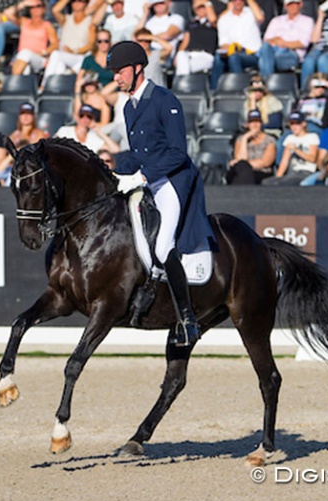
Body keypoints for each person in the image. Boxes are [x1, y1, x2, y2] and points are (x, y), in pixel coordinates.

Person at [107, 40, 216, 346]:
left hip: (173, 182)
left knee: (163, 246)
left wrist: (141, 175)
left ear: (138, 68)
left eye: (120, 71)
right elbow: (137, 152)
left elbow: (177, 153)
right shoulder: (129, 107)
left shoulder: (164, 100)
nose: (116, 78)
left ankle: (188, 319)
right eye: (114, 72)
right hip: (148, 179)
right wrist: (113, 171)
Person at [40, 0, 97, 90]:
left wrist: (75, 51)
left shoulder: (90, 22)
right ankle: (52, 89)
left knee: (56, 55)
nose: (77, 3)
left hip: (80, 57)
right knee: (59, 65)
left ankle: (44, 85)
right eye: (74, 1)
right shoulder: (66, 19)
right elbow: (55, 10)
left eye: (81, 1)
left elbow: (91, 45)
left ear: (86, 3)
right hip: (65, 56)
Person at [210, 0, 265, 90]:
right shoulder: (224, 19)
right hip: (233, 51)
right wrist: (227, 49)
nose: (238, 1)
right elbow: (223, 43)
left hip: (252, 54)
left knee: (234, 58)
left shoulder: (251, 12)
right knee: (218, 58)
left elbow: (260, 17)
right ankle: (214, 91)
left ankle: (239, 89)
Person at [258, 0, 314, 78]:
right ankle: (268, 82)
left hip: (291, 55)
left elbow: (303, 43)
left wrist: (283, 43)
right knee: (265, 48)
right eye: (290, 5)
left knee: (263, 60)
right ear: (285, 6)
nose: (292, 7)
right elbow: (267, 40)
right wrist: (279, 42)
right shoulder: (276, 20)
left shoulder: (307, 21)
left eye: (295, 4)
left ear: (300, 4)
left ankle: (265, 84)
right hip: (273, 52)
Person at [262, 111, 319, 186]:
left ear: (303, 124)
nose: (294, 127)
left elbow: (312, 158)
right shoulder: (290, 138)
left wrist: (296, 149)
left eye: (297, 124)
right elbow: (284, 162)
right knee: (267, 182)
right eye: (292, 124)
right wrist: (278, 177)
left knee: (287, 182)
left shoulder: (312, 137)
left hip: (306, 172)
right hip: (292, 172)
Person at [226, 109, 277, 185]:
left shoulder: (270, 140)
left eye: (257, 121)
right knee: (241, 171)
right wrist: (245, 138)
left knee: (242, 172)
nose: (255, 124)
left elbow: (265, 162)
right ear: (247, 124)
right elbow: (240, 158)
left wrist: (245, 164)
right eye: (252, 122)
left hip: (261, 172)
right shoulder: (241, 139)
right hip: (242, 171)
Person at [10, 0, 59, 76]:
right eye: (32, 7)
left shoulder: (47, 25)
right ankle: (17, 85)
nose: (35, 9)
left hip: (38, 57)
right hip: (22, 57)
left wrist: (44, 52)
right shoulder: (24, 22)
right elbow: (8, 14)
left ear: (43, 9)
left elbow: (55, 44)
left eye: (38, 6)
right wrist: (24, 3)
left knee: (25, 53)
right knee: (25, 65)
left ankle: (12, 81)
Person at [174, 0, 218, 76]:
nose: (200, 9)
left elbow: (213, 19)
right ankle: (184, 83)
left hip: (205, 55)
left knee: (183, 67)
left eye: (202, 7)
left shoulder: (212, 23)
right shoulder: (191, 23)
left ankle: (181, 83)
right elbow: (185, 42)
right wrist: (177, 57)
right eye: (198, 8)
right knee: (181, 55)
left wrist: (205, 3)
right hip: (189, 54)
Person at [54, 103, 120, 153]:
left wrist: (99, 132)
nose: (85, 119)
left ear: (93, 119)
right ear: (78, 117)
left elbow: (116, 150)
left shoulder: (93, 138)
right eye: (82, 115)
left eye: (89, 116)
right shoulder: (65, 130)